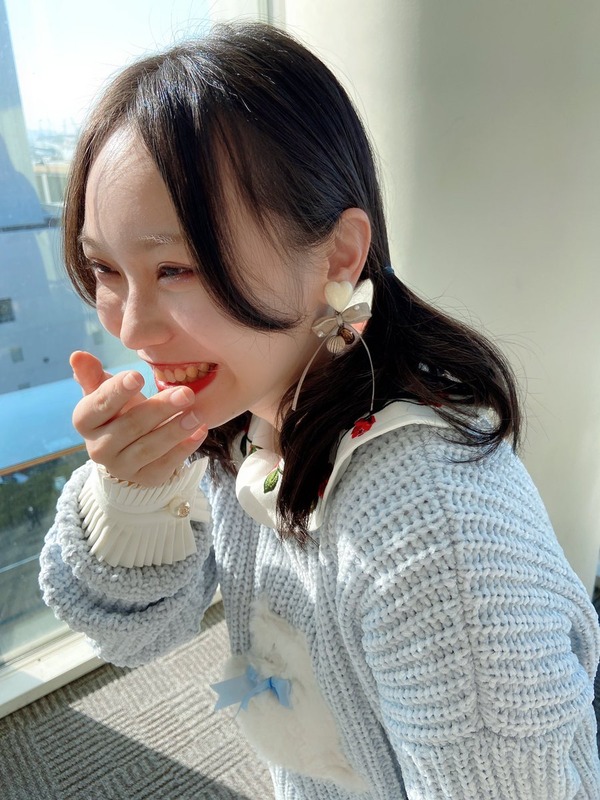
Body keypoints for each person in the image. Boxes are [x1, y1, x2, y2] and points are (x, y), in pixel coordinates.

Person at [39, 22, 600, 800]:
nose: (131, 328)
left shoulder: (432, 534)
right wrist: (133, 497)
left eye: (176, 268)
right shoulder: (244, 419)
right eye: (104, 269)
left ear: (338, 255)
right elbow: (136, 634)